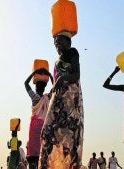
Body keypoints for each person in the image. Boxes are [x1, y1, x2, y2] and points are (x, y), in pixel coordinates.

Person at [38, 32, 84, 169]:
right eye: (55, 43)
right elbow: (56, 83)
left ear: (68, 42)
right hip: (58, 102)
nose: (57, 45)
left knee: (69, 136)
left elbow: (76, 74)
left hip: (70, 102)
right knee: (47, 133)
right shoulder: (57, 61)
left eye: (60, 41)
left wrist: (62, 79)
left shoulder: (73, 52)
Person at [24, 68, 53, 169]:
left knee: (33, 154)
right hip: (44, 127)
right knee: (43, 152)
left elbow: (26, 84)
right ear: (44, 88)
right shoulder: (48, 97)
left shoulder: (34, 97)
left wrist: (33, 73)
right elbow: (55, 87)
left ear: (36, 88)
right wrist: (50, 74)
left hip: (34, 127)